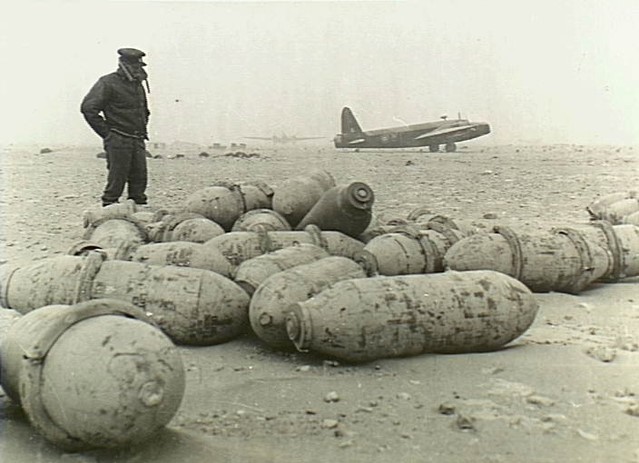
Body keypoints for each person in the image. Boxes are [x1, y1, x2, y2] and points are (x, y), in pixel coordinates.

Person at [81, 48, 151, 207]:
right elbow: (88, 108)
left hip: (137, 139)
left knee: (139, 183)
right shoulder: (107, 82)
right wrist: (108, 134)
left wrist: (142, 127)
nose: (138, 69)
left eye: (139, 66)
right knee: (116, 183)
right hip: (118, 140)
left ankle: (138, 219)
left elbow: (144, 110)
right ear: (123, 64)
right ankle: (109, 222)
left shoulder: (137, 85)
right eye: (134, 65)